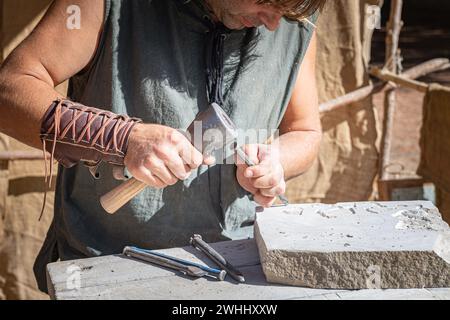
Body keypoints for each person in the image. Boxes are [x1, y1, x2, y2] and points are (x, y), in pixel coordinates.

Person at [0, 0, 325, 292]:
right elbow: (11, 92)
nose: (272, 23)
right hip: (113, 263)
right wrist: (123, 138)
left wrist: (277, 161)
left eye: (286, 9)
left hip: (243, 266)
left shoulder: (292, 18)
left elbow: (304, 130)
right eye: (264, 2)